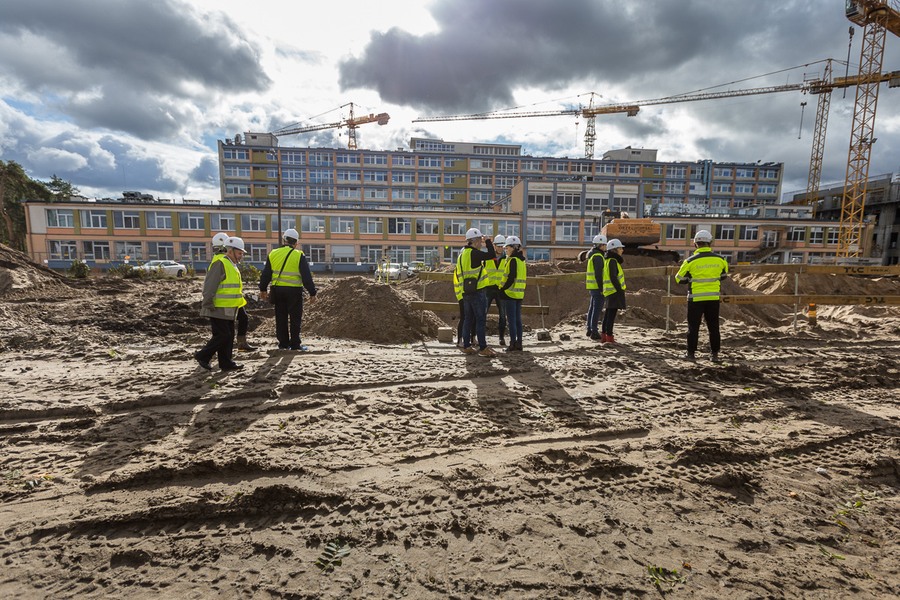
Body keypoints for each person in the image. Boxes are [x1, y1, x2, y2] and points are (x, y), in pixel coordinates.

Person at [675, 230, 729, 362]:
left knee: (693, 327)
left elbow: (679, 278)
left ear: (695, 244)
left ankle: (691, 354)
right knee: (713, 327)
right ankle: (714, 354)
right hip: (713, 298)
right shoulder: (721, 260)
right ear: (710, 243)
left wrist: (690, 279)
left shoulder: (690, 261)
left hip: (695, 298)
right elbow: (723, 276)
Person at [259, 228, 317, 351]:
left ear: (284, 240)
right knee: (295, 318)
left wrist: (262, 289)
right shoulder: (298, 255)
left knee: (281, 318)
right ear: (296, 243)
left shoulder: (273, 253)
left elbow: (266, 274)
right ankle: (295, 344)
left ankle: (283, 344)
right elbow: (306, 276)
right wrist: (312, 292)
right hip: (294, 291)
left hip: (277, 290)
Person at [194, 236, 247, 372]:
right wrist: (208, 303)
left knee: (228, 335)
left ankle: (226, 362)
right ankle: (202, 355)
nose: (241, 256)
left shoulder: (231, 264)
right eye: (239, 253)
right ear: (230, 251)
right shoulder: (221, 263)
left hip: (229, 308)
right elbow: (210, 285)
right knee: (223, 335)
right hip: (218, 307)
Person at [211, 232, 257, 352]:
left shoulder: (220, 259)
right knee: (225, 331)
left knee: (226, 329)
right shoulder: (222, 261)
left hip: (231, 300)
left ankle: (227, 353)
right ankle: (209, 354)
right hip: (226, 301)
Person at [456, 227, 497, 357]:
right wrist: (489, 241)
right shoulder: (474, 253)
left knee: (468, 318)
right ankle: (483, 347)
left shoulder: (462, 254)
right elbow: (492, 255)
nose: (481, 243)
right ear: (475, 241)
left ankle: (466, 345)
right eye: (480, 240)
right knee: (480, 319)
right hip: (477, 291)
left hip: (465, 291)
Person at [499, 235, 526, 352]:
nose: (506, 250)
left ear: (513, 248)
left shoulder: (512, 260)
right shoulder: (522, 261)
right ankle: (519, 343)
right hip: (519, 294)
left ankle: (512, 344)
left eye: (507, 248)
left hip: (510, 294)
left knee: (511, 321)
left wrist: (503, 289)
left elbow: (511, 277)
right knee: (518, 320)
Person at [483, 234, 508, 347]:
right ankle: (481, 337)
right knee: (483, 313)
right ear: (494, 246)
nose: (500, 248)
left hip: (500, 290)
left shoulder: (507, 259)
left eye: (502, 246)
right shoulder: (488, 257)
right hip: (488, 289)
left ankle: (501, 338)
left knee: (503, 315)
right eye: (498, 246)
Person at [600, 238, 626, 344]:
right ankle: (609, 337)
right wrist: (619, 290)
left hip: (610, 291)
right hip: (614, 291)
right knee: (611, 315)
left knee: (608, 314)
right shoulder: (612, 261)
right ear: (615, 249)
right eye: (620, 248)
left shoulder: (608, 260)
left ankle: (604, 335)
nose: (622, 250)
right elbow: (613, 277)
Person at [585, 234, 608, 341]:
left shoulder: (592, 255)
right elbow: (599, 274)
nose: (606, 247)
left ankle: (589, 329)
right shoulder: (598, 257)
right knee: (596, 309)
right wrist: (602, 288)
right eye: (605, 245)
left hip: (592, 287)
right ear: (601, 245)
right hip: (597, 287)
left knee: (592, 308)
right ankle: (594, 331)